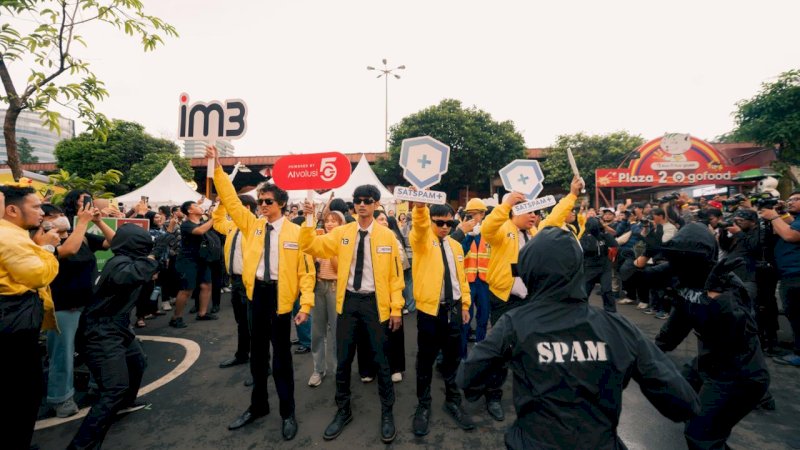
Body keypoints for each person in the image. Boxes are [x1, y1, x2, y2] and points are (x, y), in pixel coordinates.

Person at [458, 226, 700, 449]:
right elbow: (682, 402)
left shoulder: (514, 324)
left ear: (529, 271)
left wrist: (501, 365)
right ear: (578, 269)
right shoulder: (618, 327)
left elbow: (468, 377)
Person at [626, 223, 770, 449]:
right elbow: (633, 279)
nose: (680, 263)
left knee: (701, 437)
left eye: (687, 258)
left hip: (737, 373)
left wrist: (714, 300)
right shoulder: (678, 270)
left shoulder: (727, 284)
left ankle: (752, 401)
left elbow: (737, 335)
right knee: (678, 397)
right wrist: (646, 253)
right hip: (707, 363)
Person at [210, 146, 315, 441]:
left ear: (281, 203)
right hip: (256, 297)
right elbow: (230, 201)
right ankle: (258, 407)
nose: (262, 206)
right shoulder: (251, 226)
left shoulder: (296, 233)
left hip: (282, 300)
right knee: (258, 359)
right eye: (260, 202)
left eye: (268, 201)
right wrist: (217, 167)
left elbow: (307, 272)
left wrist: (305, 304)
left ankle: (287, 412)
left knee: (281, 360)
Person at [300, 184, 405, 444]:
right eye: (358, 200)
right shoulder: (343, 233)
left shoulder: (387, 236)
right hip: (347, 303)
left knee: (381, 361)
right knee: (344, 360)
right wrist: (309, 219)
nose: (362, 204)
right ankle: (343, 410)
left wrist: (395, 308)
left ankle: (387, 412)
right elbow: (313, 246)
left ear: (376, 204)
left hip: (375, 304)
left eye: (368, 200)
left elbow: (395, 276)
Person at [478, 176, 582, 421]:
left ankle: (534, 394)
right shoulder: (503, 229)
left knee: (532, 348)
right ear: (515, 212)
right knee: (502, 349)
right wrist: (505, 204)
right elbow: (487, 228)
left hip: (530, 300)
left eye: (536, 213)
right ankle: (493, 395)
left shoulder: (537, 233)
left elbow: (555, 219)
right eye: (528, 212)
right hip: (504, 300)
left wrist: (573, 195)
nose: (534, 216)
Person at [68, 225, 173, 450]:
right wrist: (154, 256)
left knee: (137, 362)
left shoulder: (126, 259)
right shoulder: (119, 264)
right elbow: (132, 274)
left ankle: (122, 404)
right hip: (100, 331)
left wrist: (155, 258)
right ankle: (81, 446)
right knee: (113, 389)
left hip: (117, 326)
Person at [0, 185, 60, 449]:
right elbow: (37, 275)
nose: (42, 212)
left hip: (17, 320)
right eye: (35, 206)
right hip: (14, 322)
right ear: (12, 210)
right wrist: (47, 249)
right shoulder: (8, 236)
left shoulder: (15, 234)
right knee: (23, 393)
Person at [43, 198, 114, 417]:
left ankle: (97, 385)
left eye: (59, 214)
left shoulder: (80, 235)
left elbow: (112, 242)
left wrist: (100, 222)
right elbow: (68, 251)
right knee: (62, 354)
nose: (58, 219)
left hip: (88, 303)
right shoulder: (45, 240)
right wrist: (82, 223)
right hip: (63, 305)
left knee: (95, 347)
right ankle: (61, 398)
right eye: (51, 216)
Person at [409, 202, 473, 436]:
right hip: (430, 311)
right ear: (431, 222)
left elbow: (461, 277)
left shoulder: (456, 245)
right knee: (425, 361)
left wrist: (465, 303)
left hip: (454, 309)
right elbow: (418, 228)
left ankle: (453, 401)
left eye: (450, 223)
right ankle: (423, 405)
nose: (445, 227)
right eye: (440, 223)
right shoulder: (423, 241)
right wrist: (419, 209)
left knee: (453, 358)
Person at [213, 194, 259, 370]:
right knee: (241, 322)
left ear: (245, 209)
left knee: (255, 324)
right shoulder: (232, 226)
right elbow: (217, 221)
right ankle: (242, 355)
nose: (231, 211)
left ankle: (261, 365)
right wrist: (222, 204)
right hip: (236, 281)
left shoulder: (257, 226)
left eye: (234, 207)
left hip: (252, 282)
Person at [760, 194, 800, 366]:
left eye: (796, 199)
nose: (791, 201)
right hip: (789, 274)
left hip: (796, 275)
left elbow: (790, 235)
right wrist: (782, 213)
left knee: (797, 315)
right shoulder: (796, 219)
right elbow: (788, 225)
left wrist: (774, 216)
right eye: (789, 199)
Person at [309, 211, 346, 387]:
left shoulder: (343, 242)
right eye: (327, 221)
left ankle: (339, 370)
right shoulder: (319, 239)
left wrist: (328, 247)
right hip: (318, 286)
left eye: (334, 221)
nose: (330, 224)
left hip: (334, 286)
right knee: (317, 331)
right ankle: (318, 369)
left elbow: (340, 268)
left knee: (337, 331)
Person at [169, 200, 217, 328]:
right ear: (190, 211)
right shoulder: (186, 224)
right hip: (187, 260)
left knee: (207, 285)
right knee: (186, 289)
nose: (200, 207)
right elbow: (200, 231)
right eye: (196, 206)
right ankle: (176, 317)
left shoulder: (201, 222)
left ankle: (202, 313)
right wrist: (214, 218)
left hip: (202, 258)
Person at [456, 198, 491, 351]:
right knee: (465, 319)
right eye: (469, 214)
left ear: (483, 214)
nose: (472, 217)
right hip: (467, 282)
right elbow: (459, 251)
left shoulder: (490, 230)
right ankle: (462, 353)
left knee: (483, 317)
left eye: (475, 214)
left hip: (484, 281)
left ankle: (480, 347)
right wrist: (468, 235)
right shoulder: (460, 231)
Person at [580, 217, 618, 312]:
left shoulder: (604, 235)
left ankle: (611, 313)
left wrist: (604, 230)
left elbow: (614, 244)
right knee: (584, 292)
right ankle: (580, 312)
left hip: (604, 266)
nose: (595, 228)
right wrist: (592, 236)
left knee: (607, 290)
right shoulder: (584, 237)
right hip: (590, 267)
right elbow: (590, 249)